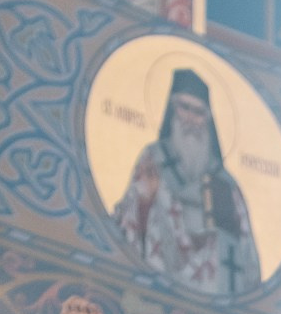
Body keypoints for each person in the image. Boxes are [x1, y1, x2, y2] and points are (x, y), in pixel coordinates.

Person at [111, 67, 263, 298]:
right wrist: (145, 201)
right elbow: (128, 224)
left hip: (212, 293)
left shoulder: (225, 183)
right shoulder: (154, 159)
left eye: (199, 112)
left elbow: (246, 252)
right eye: (185, 108)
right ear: (173, 110)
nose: (191, 119)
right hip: (160, 281)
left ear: (208, 118)